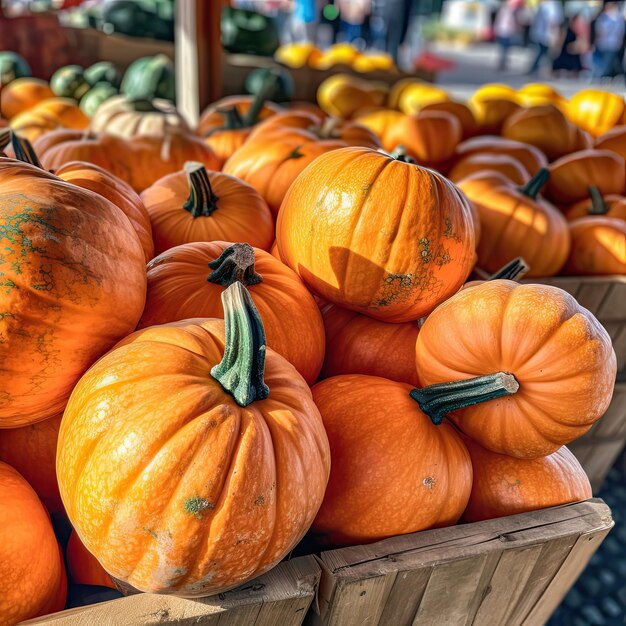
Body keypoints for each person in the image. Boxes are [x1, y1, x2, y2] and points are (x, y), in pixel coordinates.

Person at [527, 0, 564, 75]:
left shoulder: (548, 5)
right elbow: (555, 20)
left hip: (544, 33)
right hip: (546, 34)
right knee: (545, 52)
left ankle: (537, 68)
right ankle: (542, 68)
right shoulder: (552, 5)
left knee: (543, 52)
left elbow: (554, 21)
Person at [591, 1, 625, 79]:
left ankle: (604, 76)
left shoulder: (618, 19)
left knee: (608, 62)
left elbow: (620, 32)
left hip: (613, 44)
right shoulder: (603, 18)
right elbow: (599, 31)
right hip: (603, 43)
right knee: (604, 62)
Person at [493, 0, 524, 71]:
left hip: (506, 31)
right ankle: (502, 62)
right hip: (504, 31)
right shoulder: (507, 11)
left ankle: (503, 62)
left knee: (505, 48)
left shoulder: (510, 11)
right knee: (504, 47)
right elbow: (502, 20)